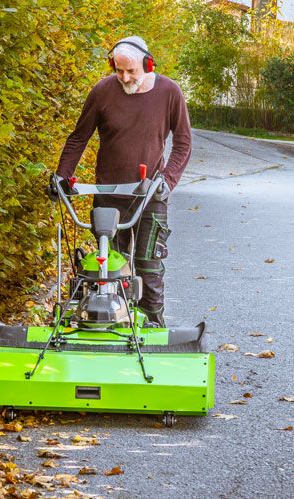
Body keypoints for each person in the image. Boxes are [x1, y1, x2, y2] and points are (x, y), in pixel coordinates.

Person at [53, 36, 192, 327]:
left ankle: (153, 328)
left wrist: (168, 180)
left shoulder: (169, 92)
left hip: (150, 194)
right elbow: (79, 137)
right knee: (110, 270)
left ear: (148, 64)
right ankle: (114, 329)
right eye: (119, 71)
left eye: (131, 71)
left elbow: (183, 143)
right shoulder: (102, 91)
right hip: (108, 196)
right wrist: (62, 177)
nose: (124, 77)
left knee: (148, 268)